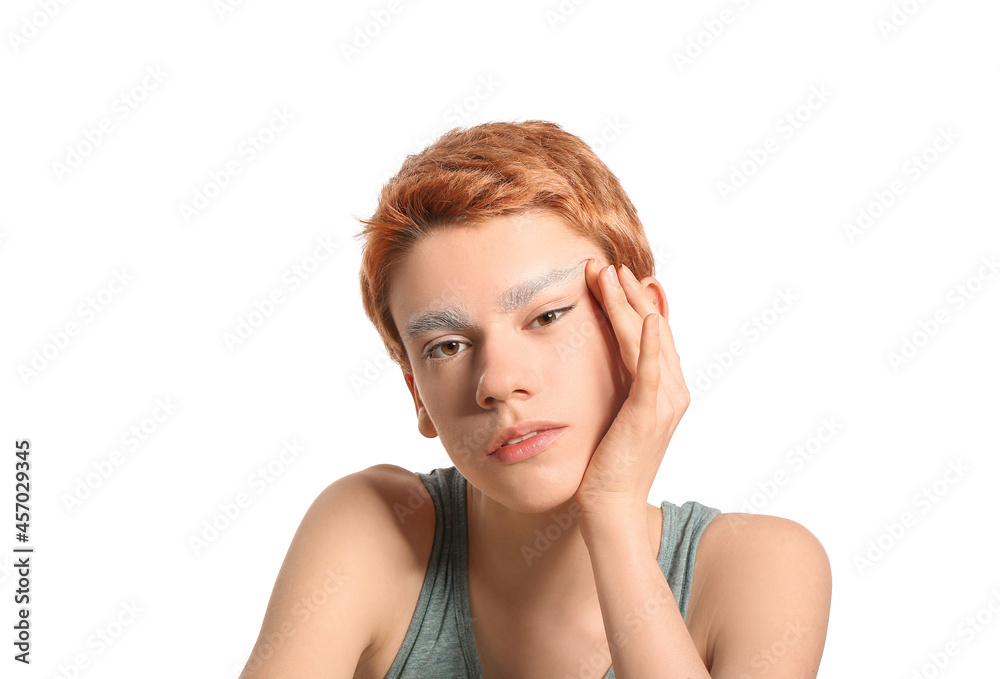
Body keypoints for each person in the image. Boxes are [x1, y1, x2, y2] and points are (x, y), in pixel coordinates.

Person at [238, 120, 832, 678]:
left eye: (547, 315)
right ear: (417, 393)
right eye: (446, 346)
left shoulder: (761, 571)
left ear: (643, 321)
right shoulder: (374, 527)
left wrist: (614, 515)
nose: (496, 380)